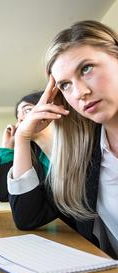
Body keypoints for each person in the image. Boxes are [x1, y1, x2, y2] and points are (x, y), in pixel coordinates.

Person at [8, 20, 118, 258]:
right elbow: (27, 217)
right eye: (65, 85)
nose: (80, 93)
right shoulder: (85, 154)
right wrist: (23, 137)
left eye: (86, 68)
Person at [0, 91, 51, 202]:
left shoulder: (69, 150)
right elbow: (6, 195)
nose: (20, 119)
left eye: (27, 110)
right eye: (18, 116)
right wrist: (7, 148)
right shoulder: (31, 152)